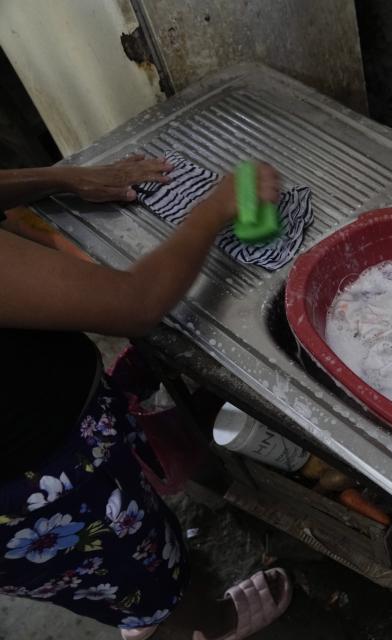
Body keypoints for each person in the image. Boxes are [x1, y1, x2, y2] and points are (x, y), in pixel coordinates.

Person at [0, 155, 292, 640]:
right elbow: (135, 303)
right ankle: (204, 626)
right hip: (36, 497)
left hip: (43, 463)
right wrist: (216, 206)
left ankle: (127, 591)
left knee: (115, 571)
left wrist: (61, 178)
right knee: (150, 585)